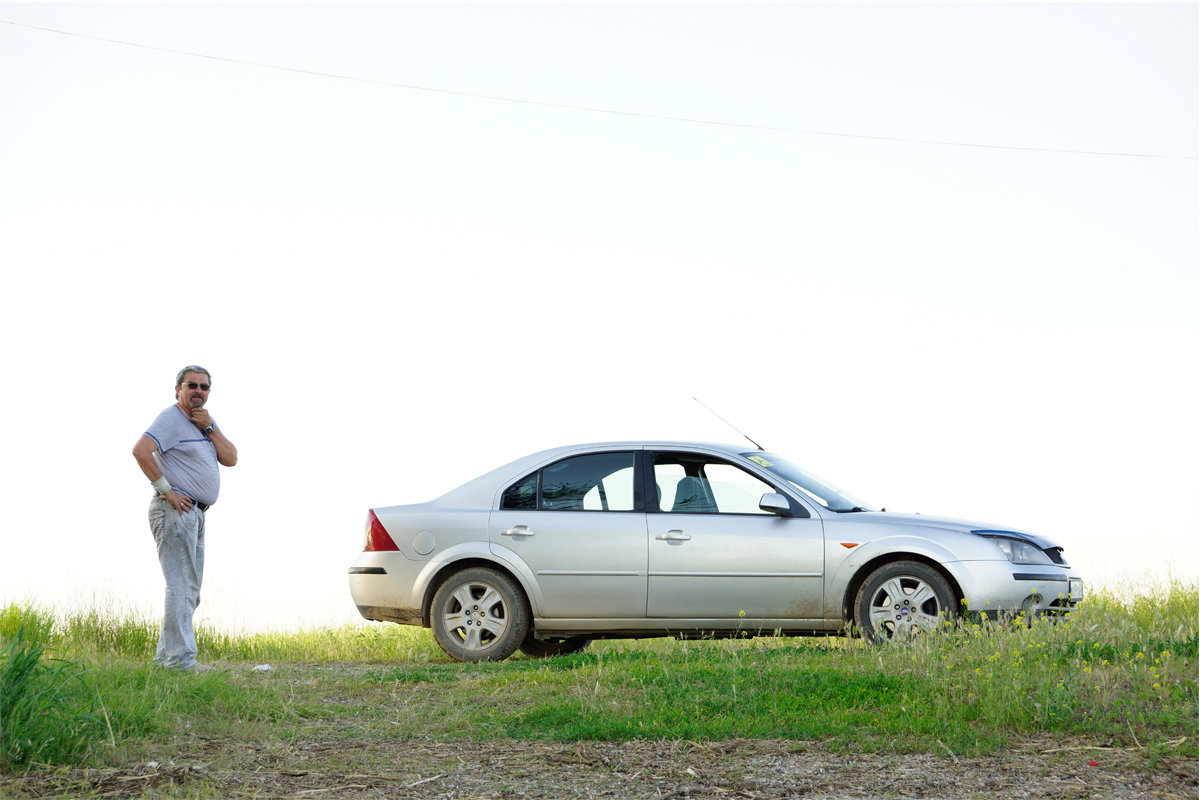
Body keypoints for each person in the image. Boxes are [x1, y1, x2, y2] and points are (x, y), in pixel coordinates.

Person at [132, 366, 238, 671]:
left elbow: (231, 458)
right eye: (192, 385)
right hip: (174, 511)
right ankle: (180, 661)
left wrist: (211, 428)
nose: (198, 391)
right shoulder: (171, 418)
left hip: (195, 514)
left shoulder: (203, 423)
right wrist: (167, 491)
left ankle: (166, 659)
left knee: (188, 588)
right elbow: (141, 450)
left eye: (205, 387)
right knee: (181, 586)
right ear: (178, 389)